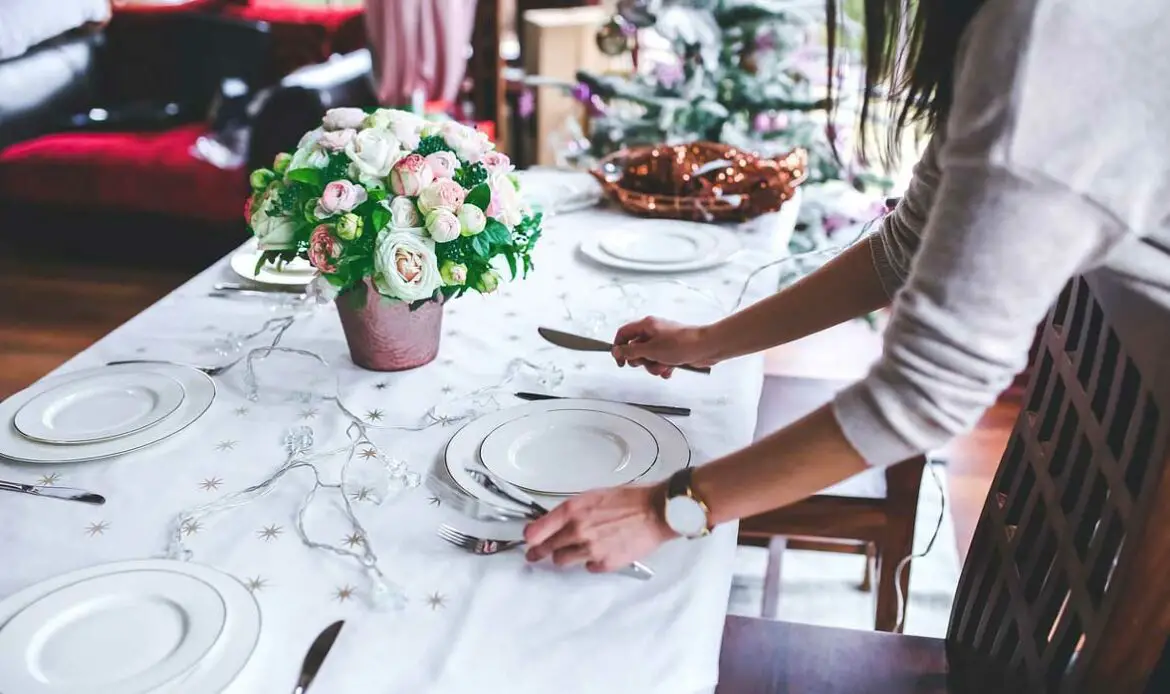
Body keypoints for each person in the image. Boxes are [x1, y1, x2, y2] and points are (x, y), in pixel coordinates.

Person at [523, 0, 1170, 572]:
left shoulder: (1052, 38)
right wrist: (709, 342)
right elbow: (903, 249)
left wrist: (668, 510)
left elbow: (924, 395)